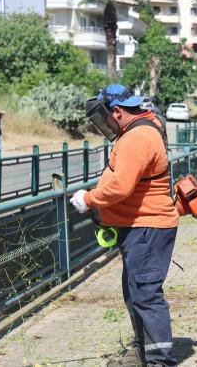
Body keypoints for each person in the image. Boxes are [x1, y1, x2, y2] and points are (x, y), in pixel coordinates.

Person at [70, 83, 179, 366]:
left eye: (105, 118)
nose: (104, 124)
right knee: (136, 293)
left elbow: (121, 186)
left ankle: (159, 360)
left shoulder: (138, 138)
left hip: (147, 228)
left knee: (146, 295)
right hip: (141, 229)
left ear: (117, 111)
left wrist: (90, 199)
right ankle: (144, 352)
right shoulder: (142, 130)